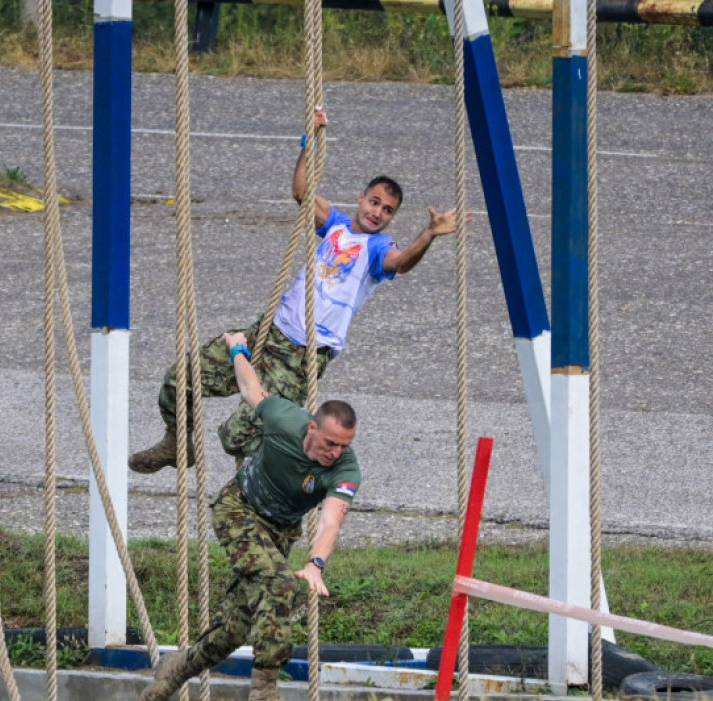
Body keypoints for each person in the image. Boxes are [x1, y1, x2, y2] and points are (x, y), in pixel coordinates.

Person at [128, 106, 467, 472]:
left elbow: (401, 264)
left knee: (237, 435)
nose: (378, 212)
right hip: (269, 331)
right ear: (360, 197)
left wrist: (429, 233)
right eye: (374, 202)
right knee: (180, 380)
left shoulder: (377, 249)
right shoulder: (336, 225)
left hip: (302, 354)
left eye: (387, 210)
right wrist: (308, 141)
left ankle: (278, 467)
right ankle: (177, 443)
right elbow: (302, 191)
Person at [139, 331, 361, 701]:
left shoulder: (345, 469)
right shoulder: (285, 419)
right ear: (312, 428)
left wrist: (315, 563)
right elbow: (251, 389)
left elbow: (331, 521)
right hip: (238, 510)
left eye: (343, 445)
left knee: (234, 629)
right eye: (329, 443)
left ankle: (173, 673)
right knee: (278, 583)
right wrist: (237, 348)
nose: (335, 452)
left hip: (277, 534)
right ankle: (264, 696)